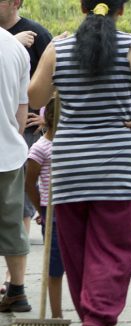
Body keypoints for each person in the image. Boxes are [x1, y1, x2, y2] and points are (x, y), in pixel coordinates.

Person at [28, 1, 131, 326]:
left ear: (82, 6)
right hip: (117, 170)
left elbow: (35, 95)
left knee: (77, 253)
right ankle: (96, 323)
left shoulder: (59, 47)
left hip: (70, 169)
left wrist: (55, 63)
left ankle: (92, 323)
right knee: (114, 250)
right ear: (121, 9)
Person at [0, 0, 52, 292]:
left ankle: (12, 280)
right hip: (12, 134)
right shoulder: (15, 44)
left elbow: (56, 79)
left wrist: (45, 116)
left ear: (16, 2)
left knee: (19, 206)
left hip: (22, 133)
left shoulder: (36, 34)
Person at [0, 26, 32, 313]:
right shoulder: (16, 48)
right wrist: (14, 138)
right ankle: (17, 292)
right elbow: (22, 107)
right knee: (11, 224)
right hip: (6, 152)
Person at [24, 98, 65, 318]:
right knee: (55, 265)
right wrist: (41, 209)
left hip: (74, 209)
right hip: (52, 213)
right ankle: (56, 315)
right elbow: (29, 183)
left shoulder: (71, 145)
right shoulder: (40, 148)